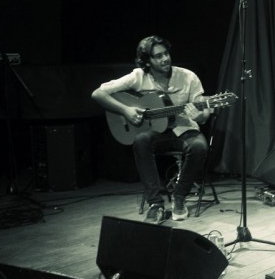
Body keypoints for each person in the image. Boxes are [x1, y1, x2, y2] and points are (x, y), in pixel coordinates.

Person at [91, 35, 213, 223]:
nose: (165, 59)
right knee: (141, 141)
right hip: (156, 133)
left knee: (199, 147)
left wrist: (200, 116)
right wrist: (125, 110)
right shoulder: (138, 76)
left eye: (166, 54)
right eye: (158, 56)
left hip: (184, 129)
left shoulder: (188, 77)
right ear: (147, 61)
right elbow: (98, 93)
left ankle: (179, 197)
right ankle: (155, 204)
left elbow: (203, 112)